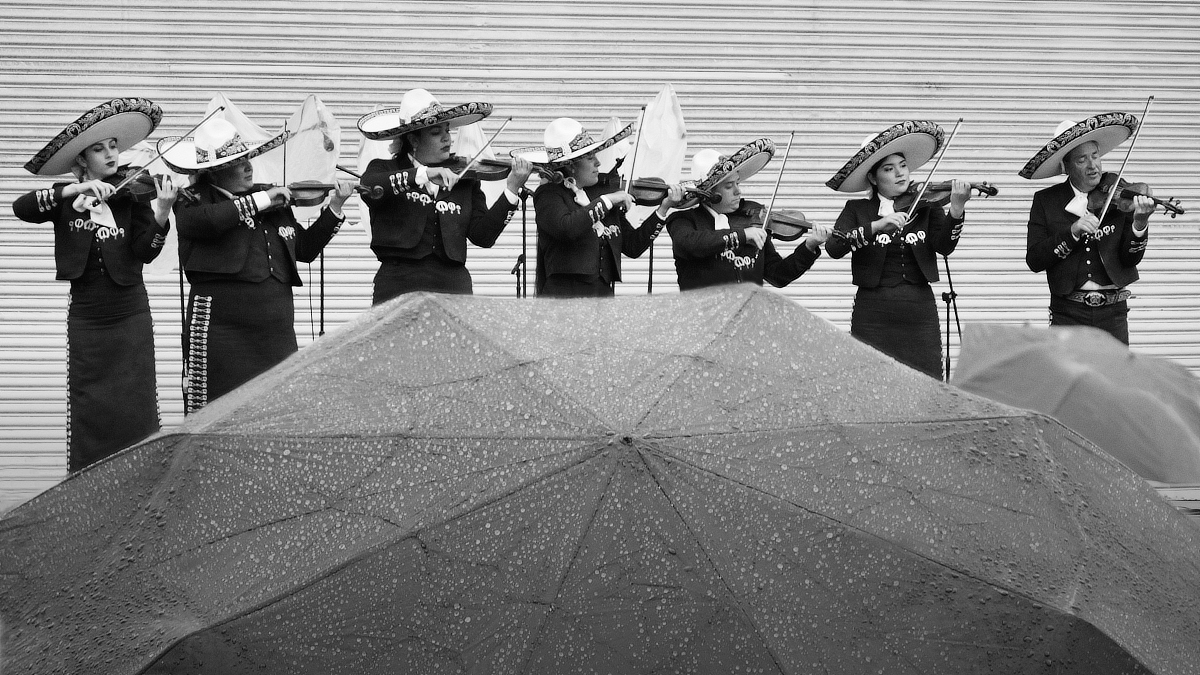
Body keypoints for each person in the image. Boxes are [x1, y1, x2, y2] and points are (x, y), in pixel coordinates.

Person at [12, 97, 176, 471]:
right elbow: (21, 207)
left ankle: (141, 471)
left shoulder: (132, 194)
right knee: (90, 400)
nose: (111, 155)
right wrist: (71, 192)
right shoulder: (65, 200)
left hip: (130, 310)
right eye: (99, 149)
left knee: (136, 398)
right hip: (88, 314)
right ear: (82, 161)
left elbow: (145, 252)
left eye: (114, 146)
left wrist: (162, 213)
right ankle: (90, 476)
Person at [160, 116, 353, 413]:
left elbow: (304, 249)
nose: (249, 166)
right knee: (212, 414)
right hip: (221, 334)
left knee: (272, 414)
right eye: (239, 161)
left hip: (275, 336)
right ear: (214, 171)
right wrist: (263, 198)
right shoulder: (192, 201)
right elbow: (209, 222)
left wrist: (335, 206)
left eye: (248, 157)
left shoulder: (271, 202)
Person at [356, 89, 533, 304]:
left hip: (453, 287)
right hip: (399, 285)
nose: (447, 138)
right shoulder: (383, 168)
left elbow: (483, 236)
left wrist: (511, 191)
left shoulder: (464, 177)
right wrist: (423, 174)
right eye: (435, 132)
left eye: (447, 130)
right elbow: (370, 186)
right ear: (413, 139)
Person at [824, 121, 970, 380]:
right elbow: (835, 247)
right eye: (889, 169)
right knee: (870, 383)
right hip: (873, 314)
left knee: (927, 381)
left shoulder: (926, 204)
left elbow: (944, 246)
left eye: (903, 166)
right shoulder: (857, 210)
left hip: (919, 312)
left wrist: (956, 210)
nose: (900, 174)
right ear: (873, 177)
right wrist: (876, 226)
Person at [1018, 113, 1154, 345]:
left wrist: (1139, 224)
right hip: (1068, 313)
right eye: (1082, 160)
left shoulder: (1117, 193)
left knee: (1113, 380)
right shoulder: (1046, 201)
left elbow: (1130, 259)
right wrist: (1072, 232)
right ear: (1066, 166)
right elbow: (1035, 260)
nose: (1093, 166)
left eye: (1095, 156)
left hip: (1113, 313)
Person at [518, 117, 684, 297]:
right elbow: (567, 228)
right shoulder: (549, 194)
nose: (598, 163)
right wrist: (606, 200)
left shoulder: (600, 197)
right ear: (572, 166)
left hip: (602, 295)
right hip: (565, 296)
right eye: (590, 158)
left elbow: (633, 246)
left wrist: (663, 209)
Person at [667, 139, 829, 291]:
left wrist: (809, 247)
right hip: (703, 317)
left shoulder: (754, 223)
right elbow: (689, 243)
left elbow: (778, 275)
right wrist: (742, 235)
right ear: (710, 194)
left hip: (748, 316)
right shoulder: (684, 220)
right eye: (729, 186)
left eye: (737, 183)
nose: (738, 191)